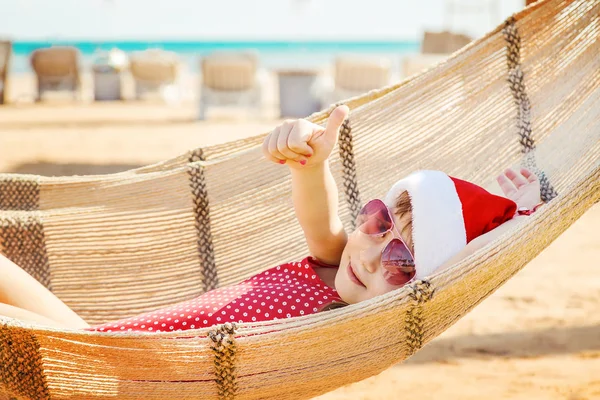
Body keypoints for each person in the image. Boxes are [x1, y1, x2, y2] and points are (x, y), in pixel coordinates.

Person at [0, 106, 543, 332]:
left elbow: (456, 272)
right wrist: (312, 164)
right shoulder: (334, 262)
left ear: (422, 285)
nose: (371, 252)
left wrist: (517, 223)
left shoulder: (352, 321)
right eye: (379, 221)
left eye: (402, 264)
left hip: (113, 364)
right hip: (114, 347)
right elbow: (320, 216)